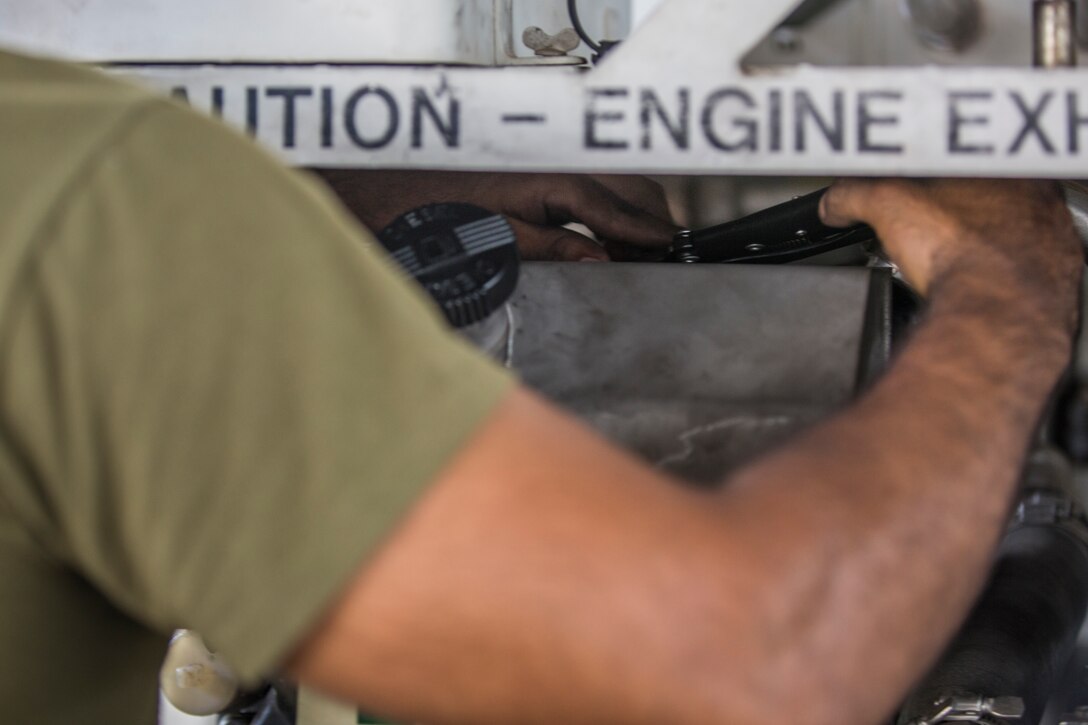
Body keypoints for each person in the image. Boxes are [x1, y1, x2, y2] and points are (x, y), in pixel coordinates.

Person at [0, 47, 1082, 725]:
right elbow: (752, 663)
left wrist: (298, 209)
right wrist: (1008, 283)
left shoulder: (59, 169)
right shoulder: (84, 186)